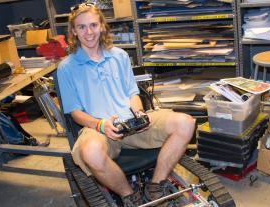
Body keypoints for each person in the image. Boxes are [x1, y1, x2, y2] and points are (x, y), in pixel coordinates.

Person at [57, 3, 195, 206]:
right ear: (74, 31)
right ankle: (130, 195)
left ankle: (155, 186)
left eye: (93, 25)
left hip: (130, 122)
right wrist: (101, 125)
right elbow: (75, 113)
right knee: (90, 152)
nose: (89, 32)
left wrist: (139, 113)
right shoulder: (67, 68)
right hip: (98, 127)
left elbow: (132, 93)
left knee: (186, 123)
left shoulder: (119, 56)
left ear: (102, 26)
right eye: (82, 27)